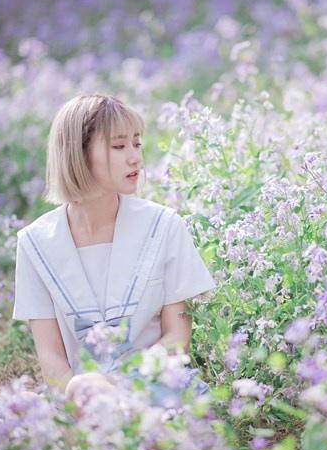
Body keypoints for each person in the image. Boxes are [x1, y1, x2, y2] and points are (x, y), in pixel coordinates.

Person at [11, 94, 217, 419]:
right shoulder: (35, 243)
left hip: (155, 387)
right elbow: (51, 358)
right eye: (119, 147)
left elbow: (177, 338)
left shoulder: (164, 226)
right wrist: (88, 398)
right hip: (80, 400)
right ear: (78, 154)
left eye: (137, 144)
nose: (135, 158)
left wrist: (120, 388)